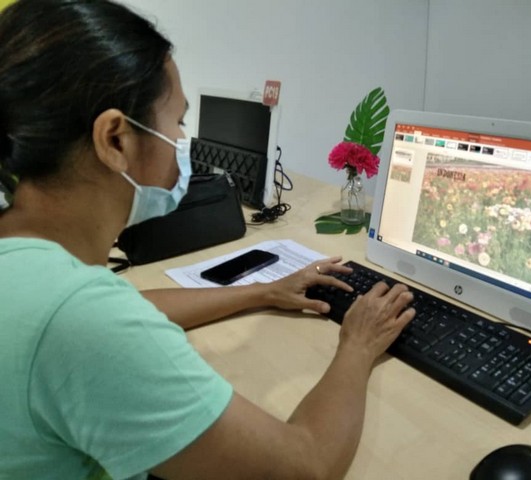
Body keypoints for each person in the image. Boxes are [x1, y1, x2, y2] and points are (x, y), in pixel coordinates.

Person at [0, 1, 416, 479]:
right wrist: (358, 344)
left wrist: (262, 292)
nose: (184, 142)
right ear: (115, 139)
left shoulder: (28, 257)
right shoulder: (79, 320)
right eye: (178, 123)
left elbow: (125, 305)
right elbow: (307, 466)